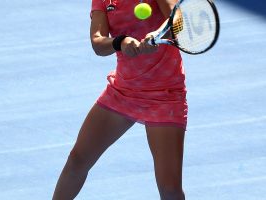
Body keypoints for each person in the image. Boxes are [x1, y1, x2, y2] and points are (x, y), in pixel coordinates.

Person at [52, 0, 187, 199]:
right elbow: (98, 43)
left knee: (170, 188)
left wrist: (157, 35)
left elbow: (177, 20)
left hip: (165, 96)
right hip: (123, 92)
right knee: (77, 160)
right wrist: (120, 42)